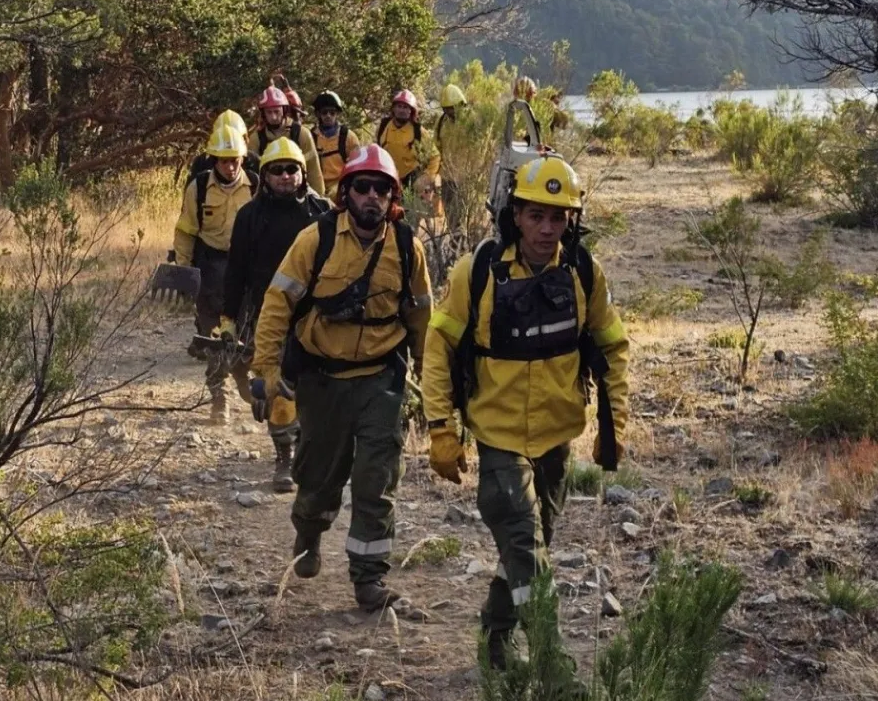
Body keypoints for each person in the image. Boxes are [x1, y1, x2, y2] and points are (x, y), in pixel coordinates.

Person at [420, 154, 629, 669]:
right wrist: (441, 429)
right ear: (516, 214)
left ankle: (493, 640)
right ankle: (554, 669)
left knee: (529, 551)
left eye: (558, 217)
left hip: (558, 437)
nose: (547, 228)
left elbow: (612, 347)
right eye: (536, 215)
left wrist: (613, 423)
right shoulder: (479, 272)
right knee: (528, 553)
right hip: (499, 438)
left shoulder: (584, 272)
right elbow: (438, 348)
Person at [251, 144, 432, 612]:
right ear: (345, 191)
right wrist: (266, 371)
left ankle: (369, 580)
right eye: (362, 187)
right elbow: (277, 305)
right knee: (318, 478)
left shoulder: (408, 248)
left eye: (381, 189)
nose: (371, 196)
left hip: (379, 381)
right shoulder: (317, 240)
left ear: (392, 196)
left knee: (377, 479)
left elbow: (421, 319)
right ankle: (309, 534)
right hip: (323, 380)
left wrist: (433, 390)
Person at [211, 138, 332, 490]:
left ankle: (312, 449)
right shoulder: (250, 216)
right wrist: (229, 319)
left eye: (291, 169)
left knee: (316, 389)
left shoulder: (322, 212)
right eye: (276, 170)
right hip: (271, 316)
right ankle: (285, 458)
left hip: (317, 317)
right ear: (264, 176)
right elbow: (235, 272)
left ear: (302, 173)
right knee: (277, 385)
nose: (284, 176)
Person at [173, 123, 253, 358]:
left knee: (245, 316)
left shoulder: (256, 186)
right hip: (211, 258)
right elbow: (186, 231)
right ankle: (210, 343)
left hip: (244, 261)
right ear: (214, 160)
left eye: (235, 161)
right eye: (224, 161)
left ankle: (238, 343)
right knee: (209, 312)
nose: (230, 167)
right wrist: (184, 270)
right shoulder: (198, 188)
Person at [248, 85, 326, 196]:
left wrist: (319, 200)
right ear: (263, 114)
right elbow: (252, 177)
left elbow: (314, 172)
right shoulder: (256, 139)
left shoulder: (302, 134)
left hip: (299, 194)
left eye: (276, 111)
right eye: (269, 112)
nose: (273, 117)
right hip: (268, 198)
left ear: (284, 110)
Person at [376, 89, 440, 191]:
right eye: (399, 106)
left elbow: (435, 156)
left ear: (411, 111)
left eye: (405, 107)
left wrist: (426, 178)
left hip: (410, 181)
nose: (402, 110)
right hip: (387, 177)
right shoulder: (382, 126)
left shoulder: (419, 132)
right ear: (394, 109)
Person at [310, 90, 361, 198]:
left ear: (337, 114)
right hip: (317, 185)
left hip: (341, 184)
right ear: (318, 114)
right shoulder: (311, 137)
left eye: (332, 112)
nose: (328, 116)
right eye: (324, 112)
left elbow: (357, 166)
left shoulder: (348, 136)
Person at [434, 83, 467, 216]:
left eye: (452, 108)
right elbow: (436, 147)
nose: (449, 112)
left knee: (465, 212)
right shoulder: (441, 121)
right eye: (446, 109)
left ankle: (466, 235)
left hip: (466, 177)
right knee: (450, 212)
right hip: (447, 176)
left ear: (460, 104)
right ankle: (454, 235)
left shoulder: (472, 120)